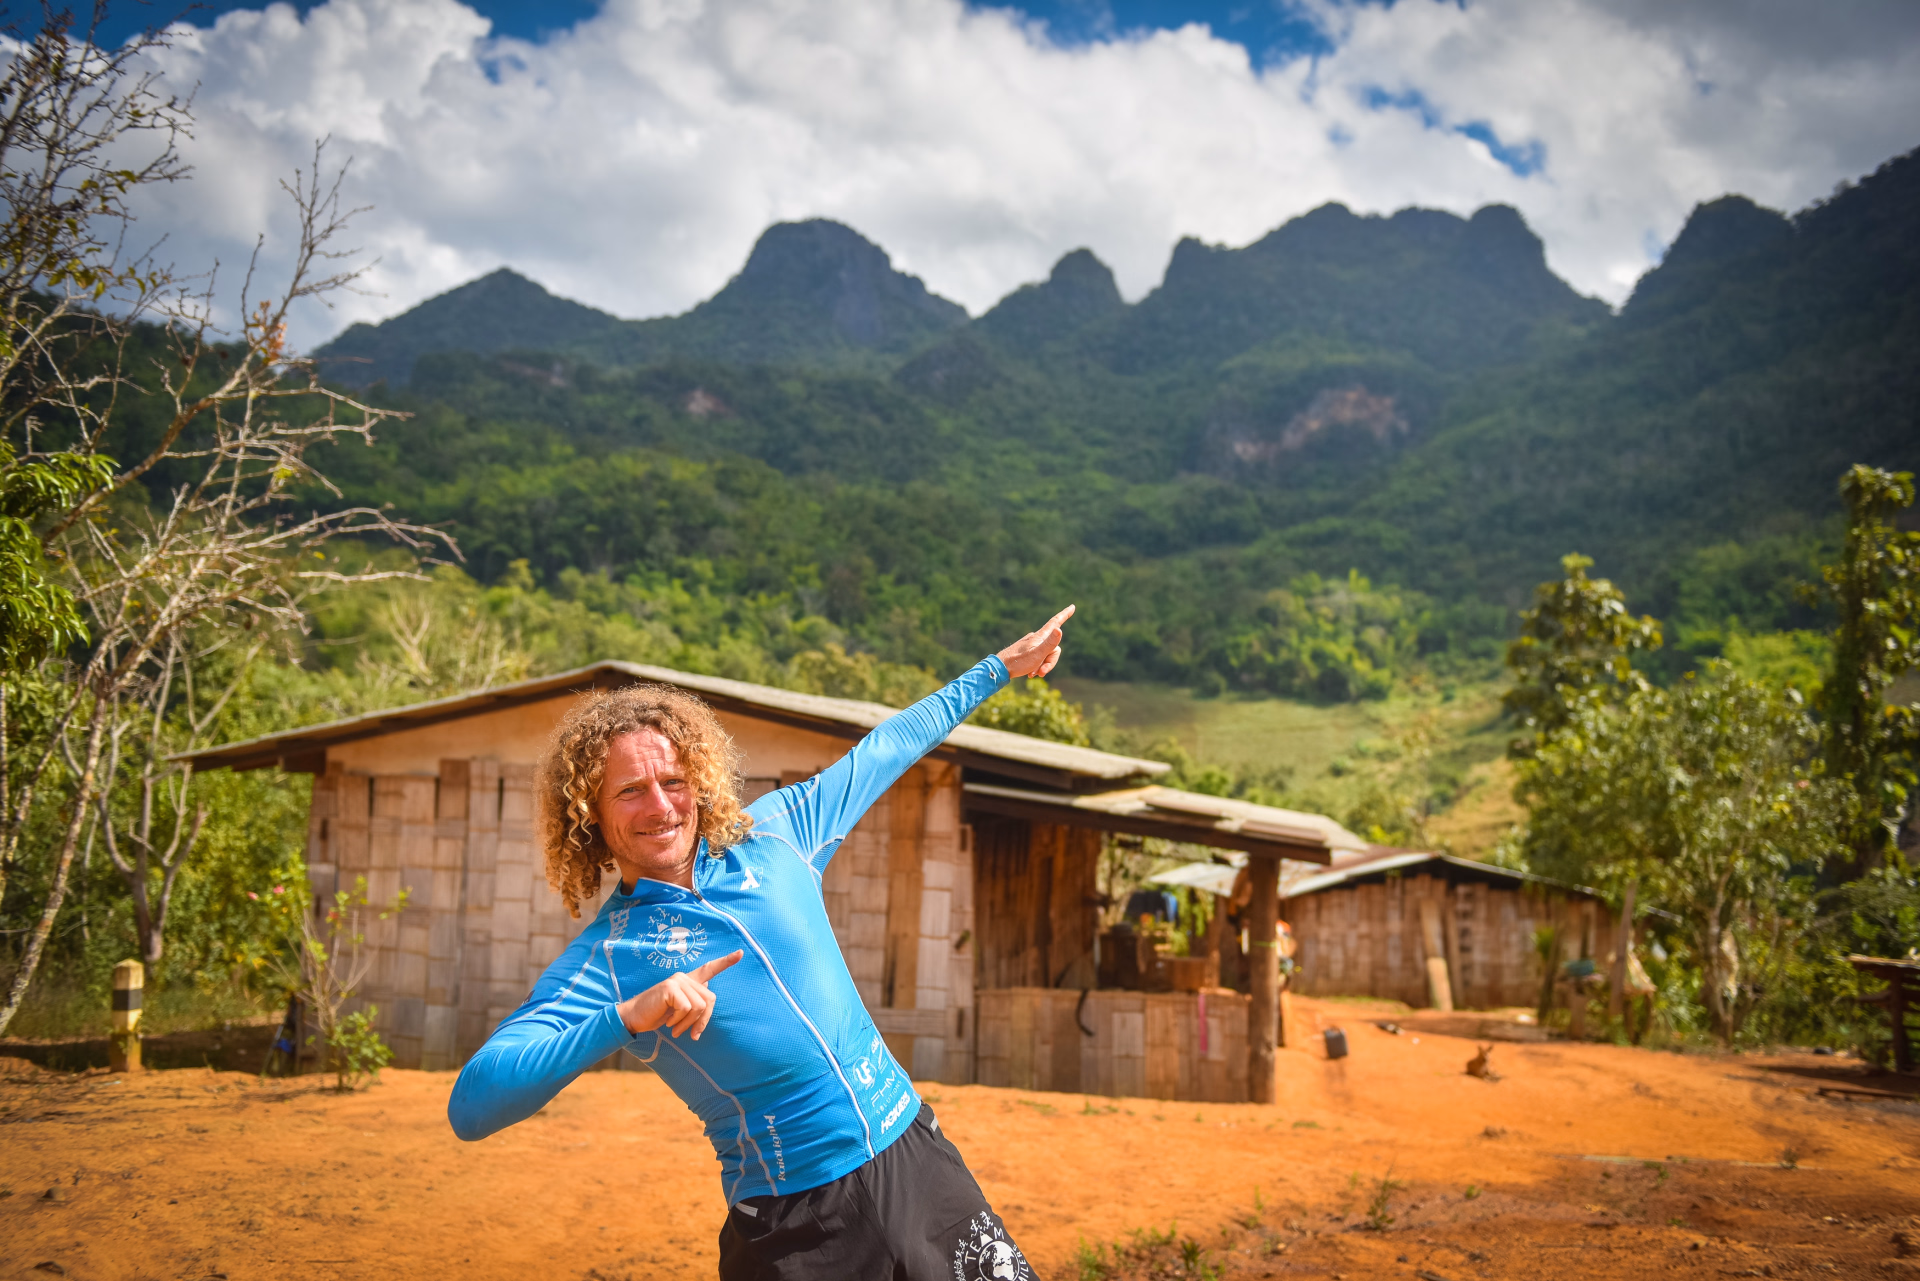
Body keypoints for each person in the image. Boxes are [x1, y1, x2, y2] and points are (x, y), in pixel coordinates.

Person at [448, 607, 1077, 1280]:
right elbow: (473, 1104)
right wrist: (629, 1015)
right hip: (797, 1223)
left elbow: (889, 746)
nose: (660, 805)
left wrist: (998, 668)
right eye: (629, 791)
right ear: (590, 816)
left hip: (917, 1162)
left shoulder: (776, 832)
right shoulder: (607, 960)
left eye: (673, 780)